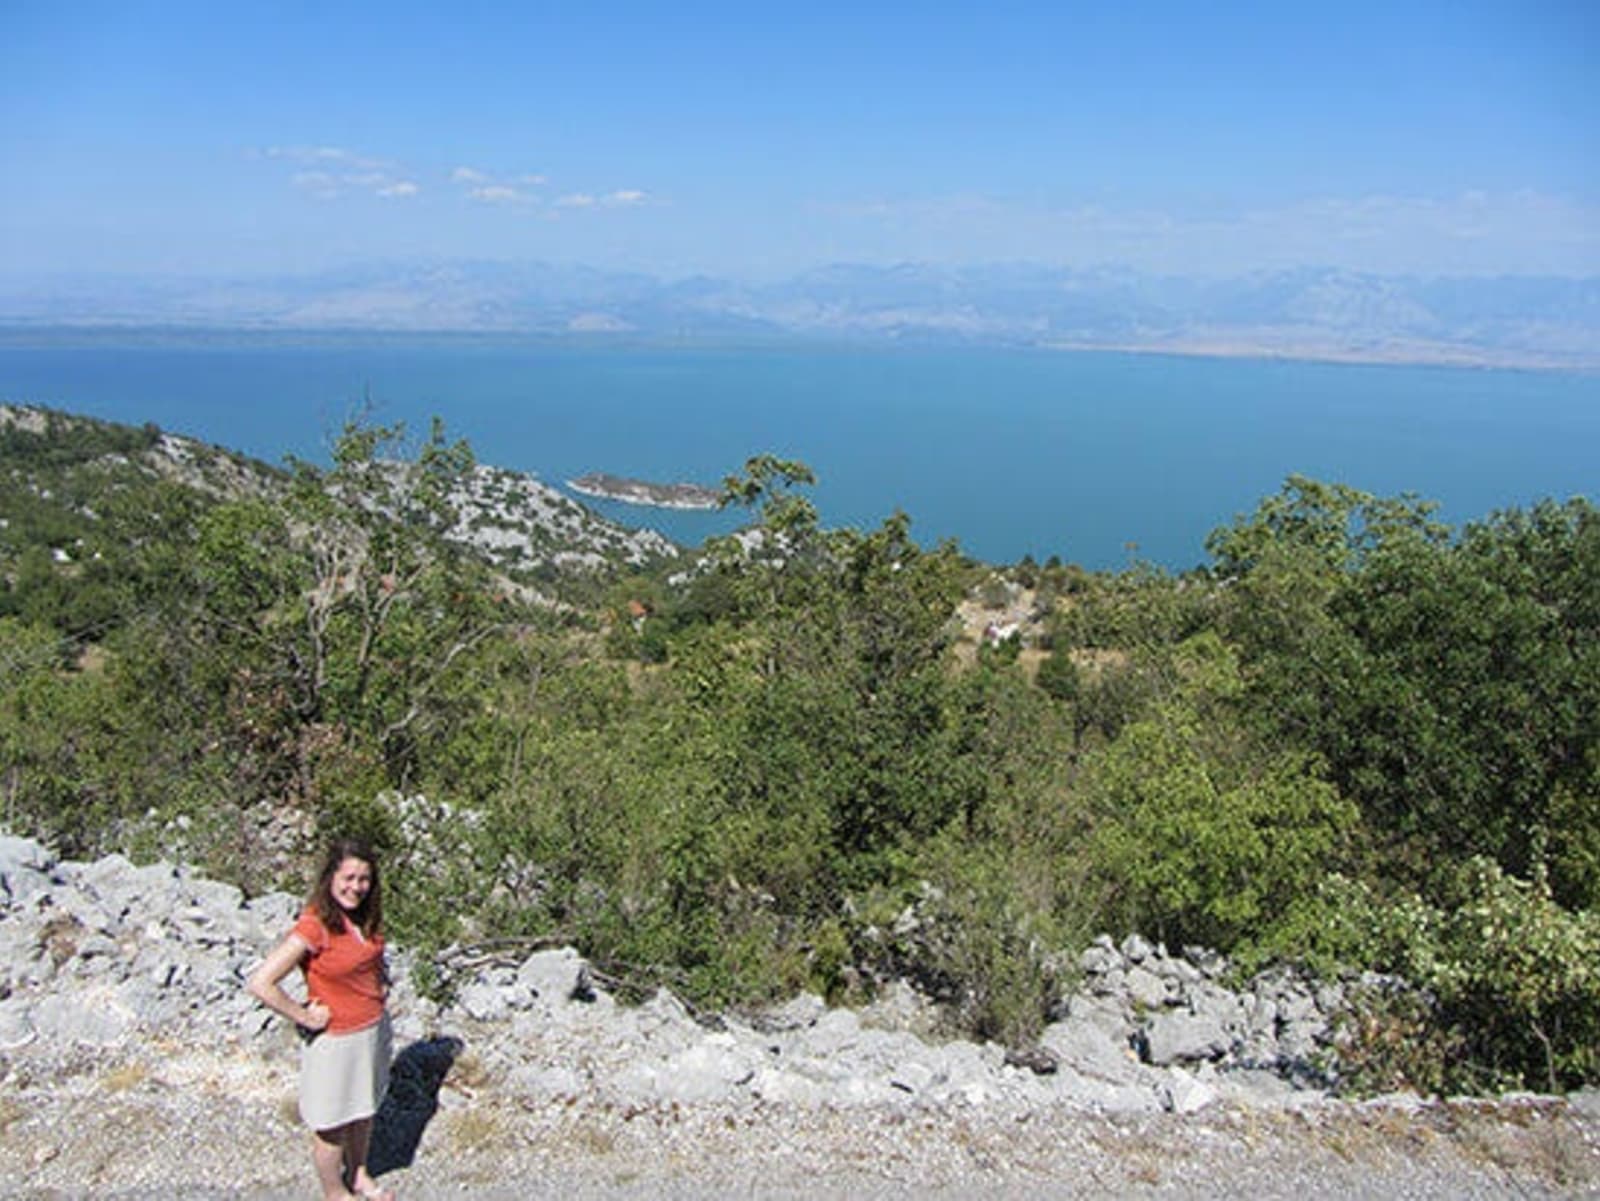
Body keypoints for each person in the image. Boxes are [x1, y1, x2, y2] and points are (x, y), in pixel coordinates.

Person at [248, 838, 396, 1201]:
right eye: (348, 877)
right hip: (335, 1039)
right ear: (330, 877)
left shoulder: (365, 917)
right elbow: (261, 982)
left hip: (370, 1031)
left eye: (363, 879)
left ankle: (359, 1175)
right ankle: (335, 1193)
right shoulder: (315, 925)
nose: (356, 887)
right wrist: (304, 1016)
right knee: (330, 1125)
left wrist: (381, 987)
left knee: (364, 1111)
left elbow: (371, 961)